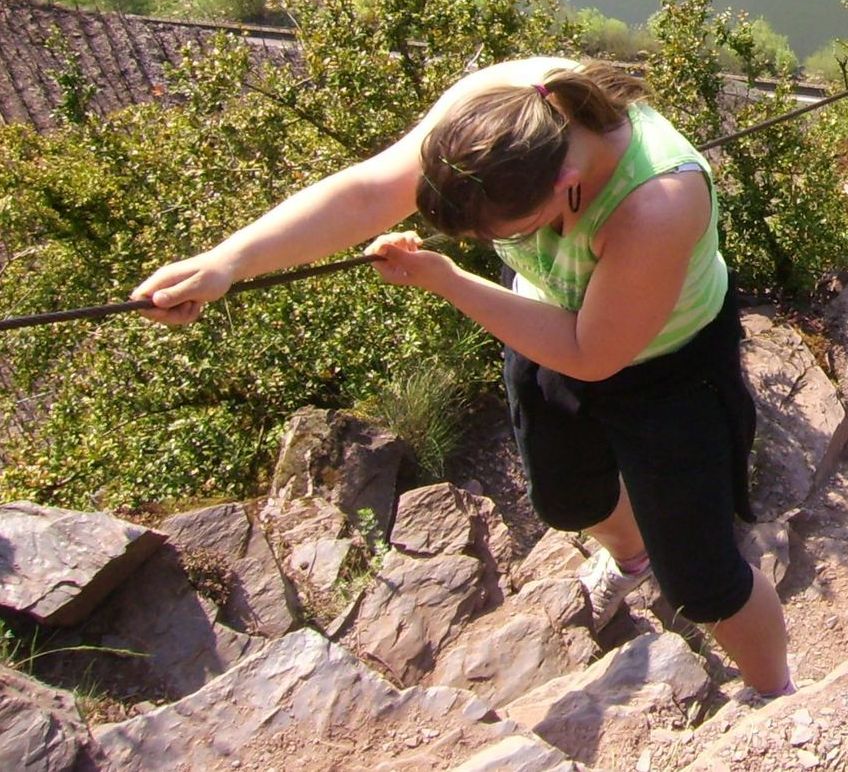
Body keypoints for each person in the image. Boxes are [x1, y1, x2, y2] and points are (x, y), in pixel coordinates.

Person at [134, 57, 792, 696]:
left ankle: (776, 697)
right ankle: (632, 558)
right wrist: (228, 263)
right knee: (569, 501)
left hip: (668, 370)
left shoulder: (658, 200)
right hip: (545, 319)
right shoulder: (501, 109)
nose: (484, 243)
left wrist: (448, 282)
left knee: (704, 581)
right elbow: (368, 192)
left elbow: (593, 353)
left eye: (502, 233)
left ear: (565, 180)